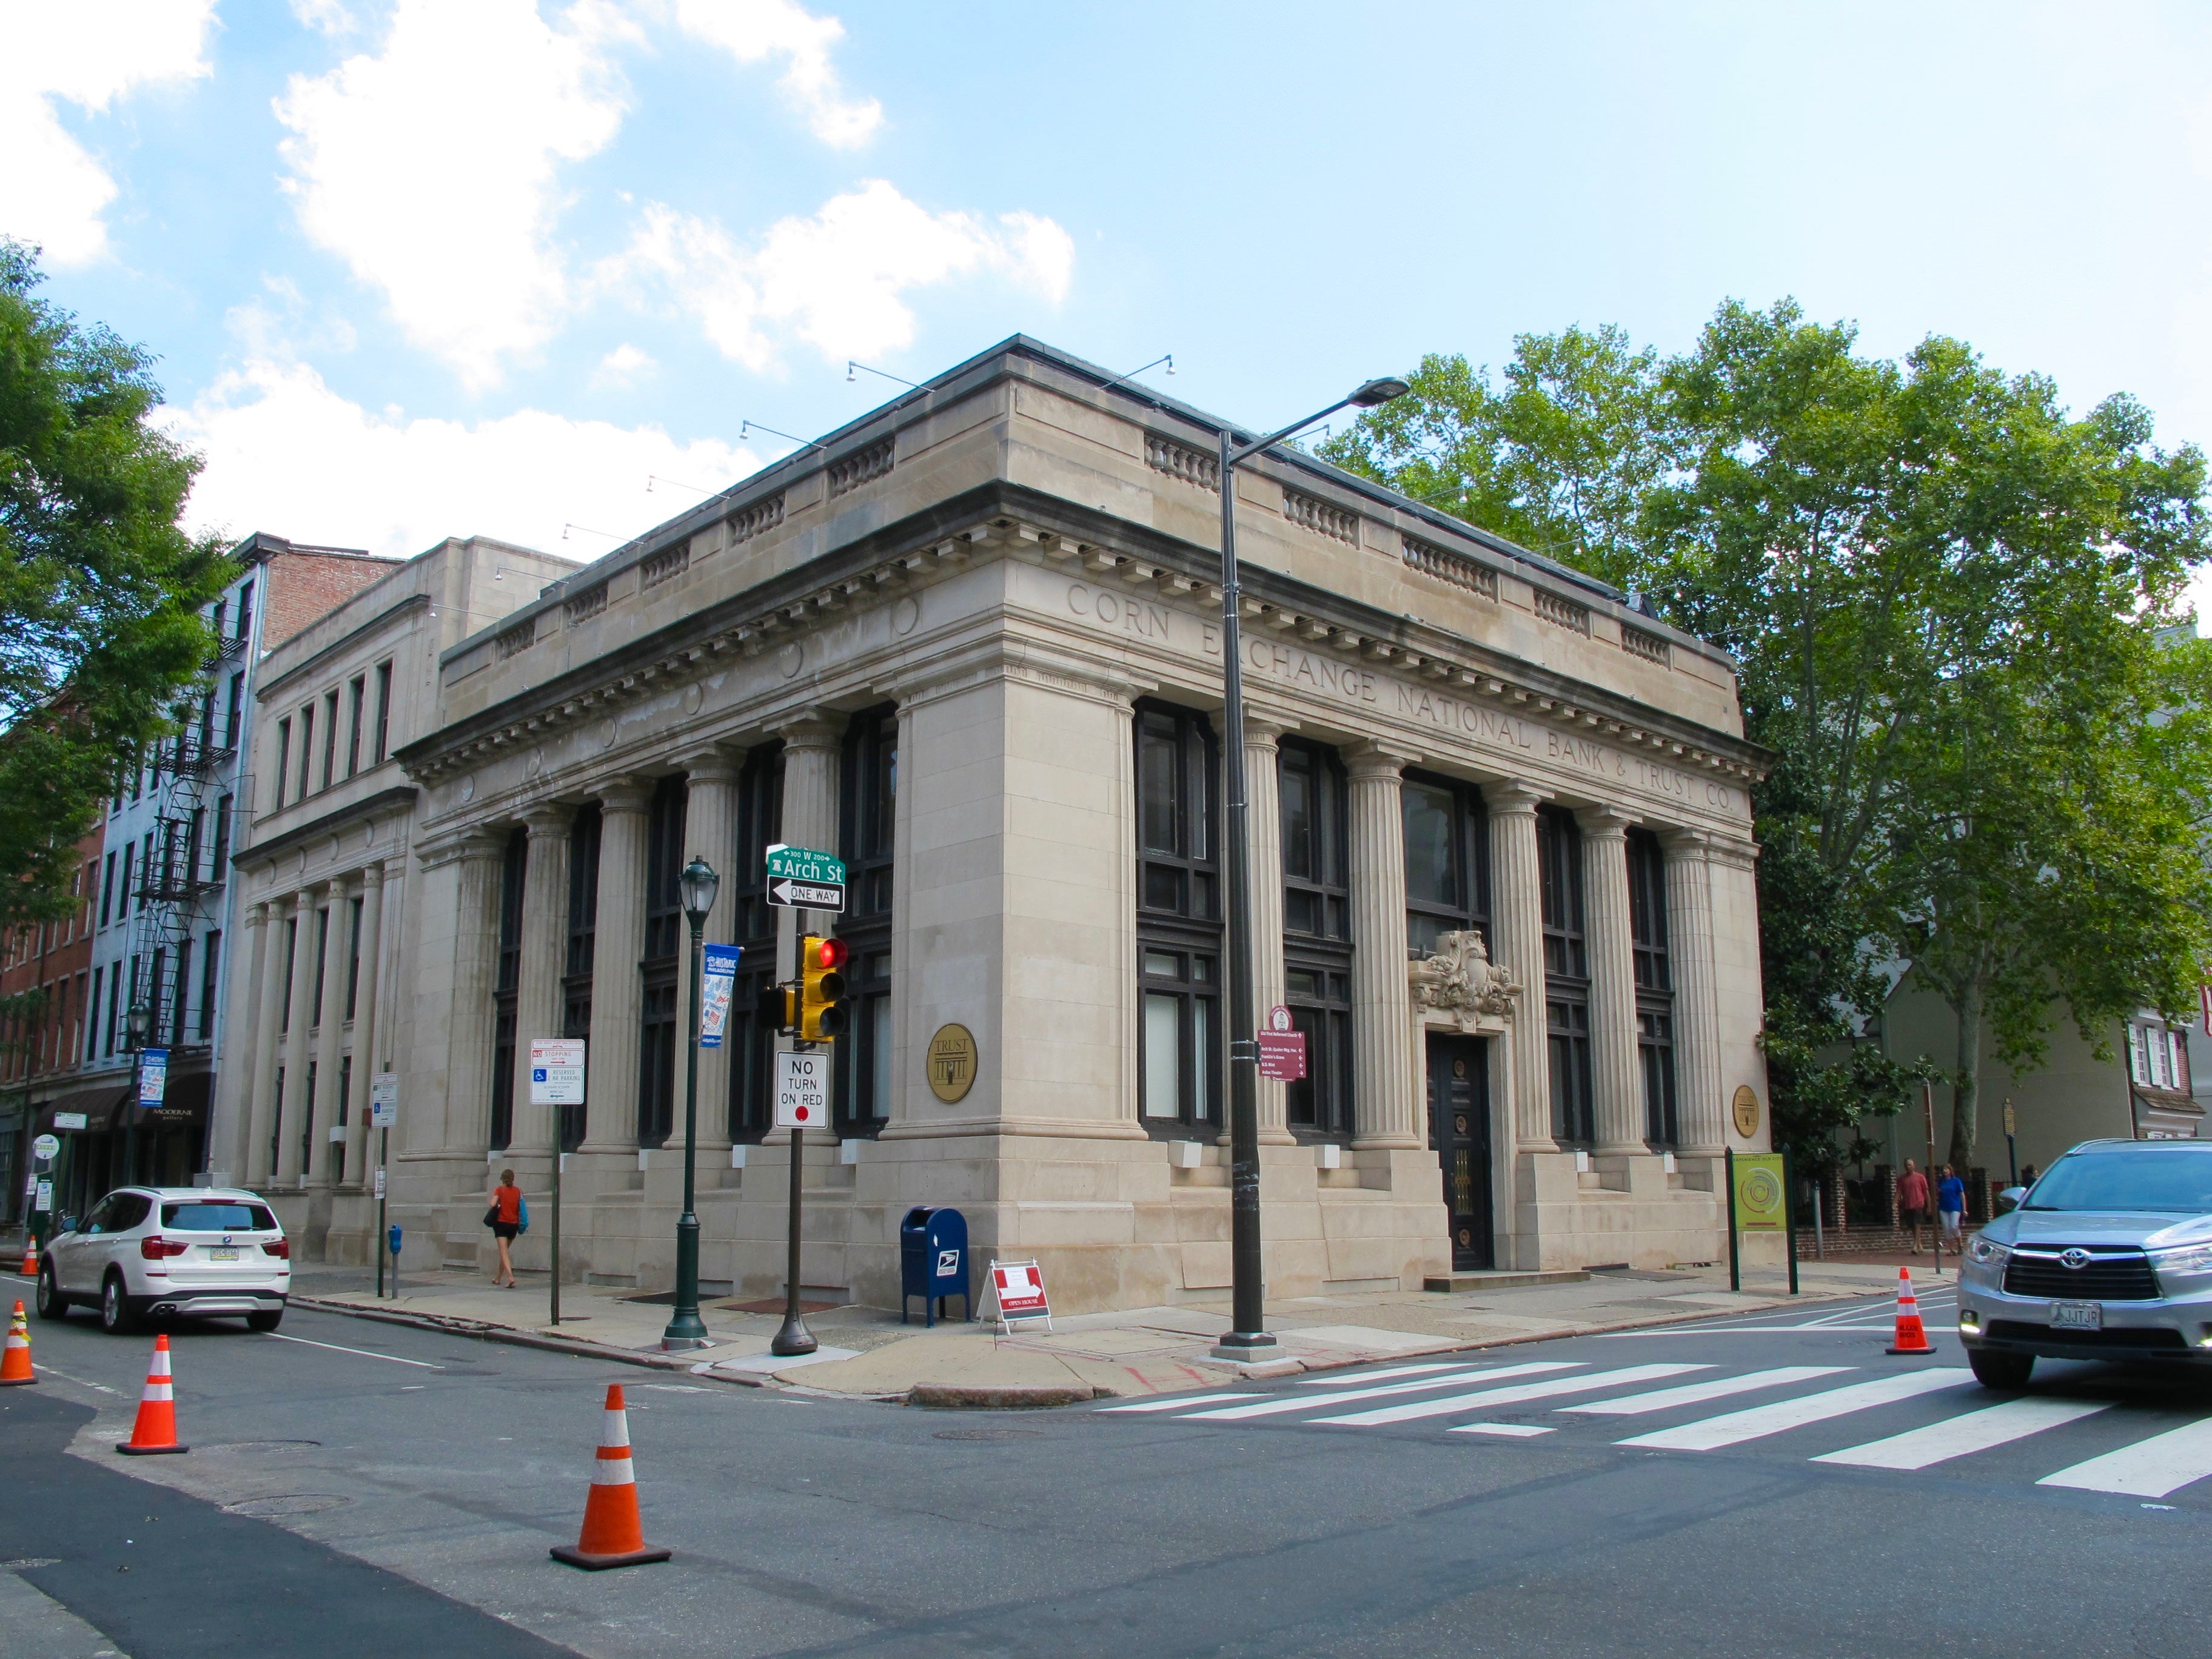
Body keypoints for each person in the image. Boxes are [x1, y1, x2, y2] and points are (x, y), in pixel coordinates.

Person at [486, 1168, 523, 1289]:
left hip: (502, 1224)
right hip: (514, 1225)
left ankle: (510, 1277)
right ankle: (498, 1278)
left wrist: (498, 1204)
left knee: (503, 1252)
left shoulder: (500, 1190)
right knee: (505, 1252)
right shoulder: (518, 1191)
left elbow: (492, 1204)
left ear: (502, 1179)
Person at [1897, 1159, 1931, 1254]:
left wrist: (1929, 1205)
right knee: (1912, 1226)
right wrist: (1895, 1203)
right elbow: (1898, 1191)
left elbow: (1926, 1192)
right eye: (1907, 1165)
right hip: (1908, 1205)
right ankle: (1919, 1245)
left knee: (1917, 1224)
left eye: (1910, 1165)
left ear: (1914, 1166)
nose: (1908, 1167)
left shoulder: (1920, 1177)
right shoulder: (1902, 1179)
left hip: (1918, 1204)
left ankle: (1915, 1246)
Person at [1937, 1163, 1967, 1256]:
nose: (1945, 1171)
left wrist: (1964, 1209)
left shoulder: (1956, 1181)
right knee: (1946, 1228)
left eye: (1946, 1169)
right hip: (1943, 1207)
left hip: (1955, 1206)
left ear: (1950, 1171)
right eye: (1943, 1169)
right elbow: (1937, 1193)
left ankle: (1960, 1245)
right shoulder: (1941, 1182)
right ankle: (1952, 1249)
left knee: (1953, 1226)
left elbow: (1962, 1195)